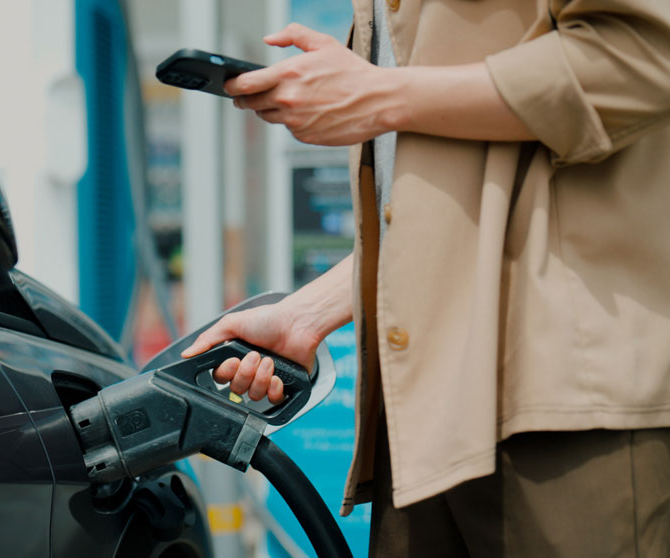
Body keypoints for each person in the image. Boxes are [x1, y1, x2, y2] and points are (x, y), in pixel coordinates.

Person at [181, 0, 670, 555]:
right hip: (421, 414)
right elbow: (452, 206)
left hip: (562, 408)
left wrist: (377, 94)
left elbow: (642, 56)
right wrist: (305, 314)